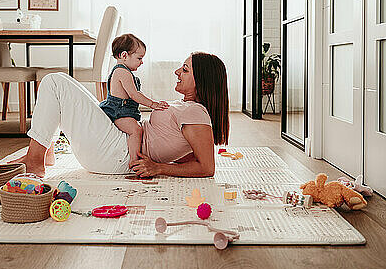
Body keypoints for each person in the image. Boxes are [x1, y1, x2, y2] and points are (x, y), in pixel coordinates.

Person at [19, 52, 229, 178]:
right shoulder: (189, 110)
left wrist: (158, 168)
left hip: (117, 154)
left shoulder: (196, 112)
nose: (177, 72)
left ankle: (35, 161)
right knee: (63, 87)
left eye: (184, 70)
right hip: (118, 144)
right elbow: (188, 154)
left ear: (201, 79)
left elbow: (207, 167)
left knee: (55, 82)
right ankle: (45, 152)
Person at [99, 34, 169, 167]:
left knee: (138, 128)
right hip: (118, 112)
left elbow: (137, 93)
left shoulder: (126, 72)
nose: (142, 62)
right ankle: (134, 160)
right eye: (139, 58)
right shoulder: (121, 72)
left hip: (124, 111)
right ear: (124, 55)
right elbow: (134, 94)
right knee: (136, 130)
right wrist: (153, 104)